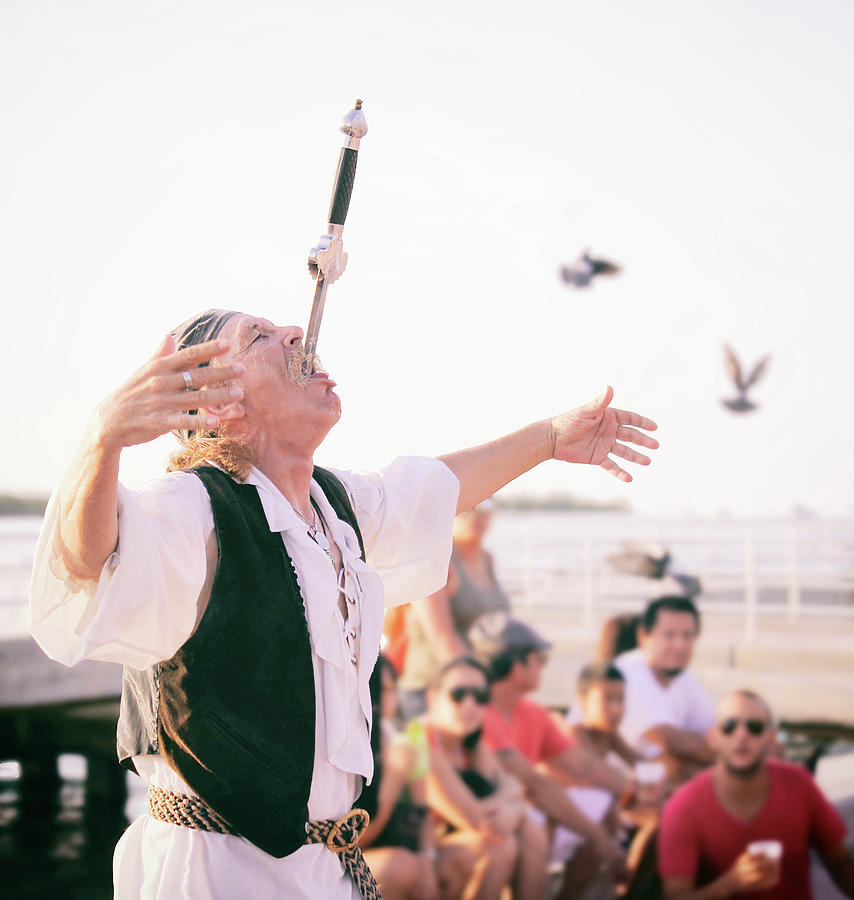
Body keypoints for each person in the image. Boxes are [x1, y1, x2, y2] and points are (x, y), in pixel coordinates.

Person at [28, 308, 658, 899]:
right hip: (219, 871)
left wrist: (548, 438)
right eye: (260, 338)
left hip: (327, 867)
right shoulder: (194, 506)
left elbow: (433, 489)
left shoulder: (335, 507)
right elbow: (91, 562)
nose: (297, 333)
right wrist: (102, 437)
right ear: (220, 404)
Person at [468, 612, 635, 897]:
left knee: (599, 807)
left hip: (515, 815)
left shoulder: (532, 712)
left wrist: (635, 791)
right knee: (537, 830)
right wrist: (605, 842)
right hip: (484, 821)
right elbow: (536, 784)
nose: (544, 667)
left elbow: (582, 767)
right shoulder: (478, 714)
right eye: (540, 659)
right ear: (517, 666)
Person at [658, 689, 854, 899]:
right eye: (729, 727)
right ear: (713, 738)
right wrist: (731, 883)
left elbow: (840, 864)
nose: (742, 735)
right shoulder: (684, 806)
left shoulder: (799, 784)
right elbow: (675, 896)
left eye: (754, 727)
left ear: (770, 739)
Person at [424, 656, 548, 899]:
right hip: (416, 856)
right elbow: (479, 822)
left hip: (451, 844)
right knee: (497, 846)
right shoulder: (419, 742)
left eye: (480, 696)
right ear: (432, 697)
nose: (470, 705)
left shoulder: (471, 745)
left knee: (532, 833)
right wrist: (510, 802)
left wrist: (510, 804)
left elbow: (515, 790)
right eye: (459, 694)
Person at [399, 499, 511, 717]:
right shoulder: (435, 559)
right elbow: (443, 638)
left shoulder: (487, 559)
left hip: (478, 686)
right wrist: (483, 688)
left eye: (486, 506)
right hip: (436, 691)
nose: (477, 515)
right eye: (470, 507)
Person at [614, 596, 715, 783]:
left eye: (688, 636)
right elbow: (663, 739)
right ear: (643, 636)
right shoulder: (625, 673)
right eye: (669, 635)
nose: (680, 645)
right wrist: (732, 754)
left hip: (637, 787)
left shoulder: (684, 679)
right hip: (600, 794)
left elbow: (716, 730)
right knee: (673, 765)